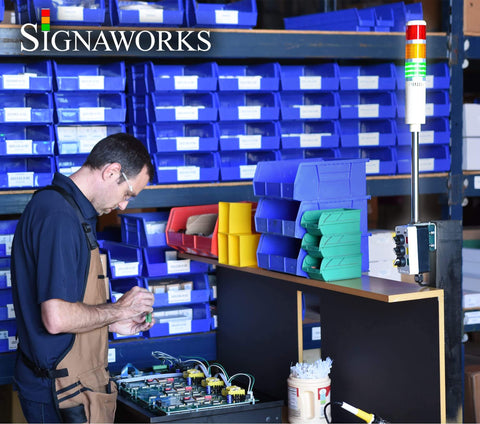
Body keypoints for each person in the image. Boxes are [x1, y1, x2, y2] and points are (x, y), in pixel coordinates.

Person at [11, 132, 156, 423]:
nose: (124, 205)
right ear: (111, 171)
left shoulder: (74, 212)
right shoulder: (59, 217)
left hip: (75, 384)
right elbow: (57, 318)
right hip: (58, 390)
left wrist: (112, 321)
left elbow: (70, 303)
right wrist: (119, 308)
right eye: (128, 193)